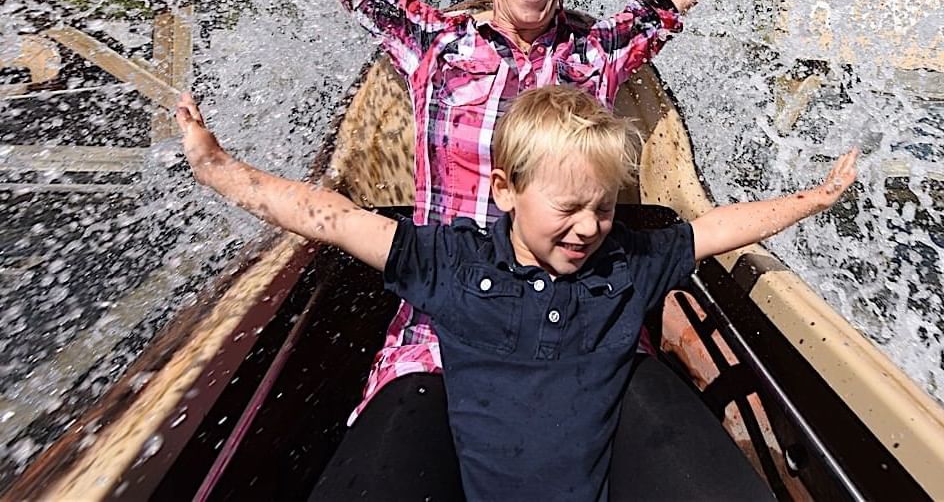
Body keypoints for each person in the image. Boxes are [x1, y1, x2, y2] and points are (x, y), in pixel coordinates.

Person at [248, 0, 752, 494]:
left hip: (587, 324)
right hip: (448, 320)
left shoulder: (594, 55)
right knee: (384, 464)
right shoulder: (437, 45)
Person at [177, 86, 859, 502]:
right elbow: (334, 218)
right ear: (505, 190)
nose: (589, 228)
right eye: (568, 208)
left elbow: (713, 229)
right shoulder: (451, 263)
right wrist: (220, 171)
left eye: (603, 208)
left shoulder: (626, 262)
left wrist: (813, 198)